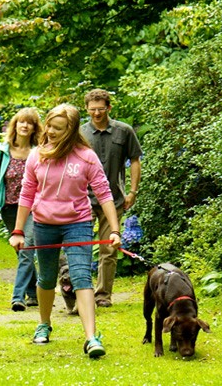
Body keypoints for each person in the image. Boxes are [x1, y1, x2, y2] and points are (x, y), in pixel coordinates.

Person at [8, 104, 122, 358]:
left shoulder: (86, 156)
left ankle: (91, 337)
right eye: (49, 125)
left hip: (78, 223)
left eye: (57, 128)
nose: (49, 131)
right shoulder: (37, 155)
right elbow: (26, 194)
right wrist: (18, 230)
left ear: (70, 131)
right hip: (44, 224)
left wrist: (115, 229)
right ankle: (44, 323)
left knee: (82, 276)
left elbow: (104, 193)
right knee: (46, 278)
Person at [80, 89, 142, 308]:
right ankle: (81, 292)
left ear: (109, 108)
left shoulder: (123, 131)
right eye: (92, 109)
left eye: (101, 109)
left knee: (109, 248)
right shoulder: (79, 133)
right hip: (82, 200)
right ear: (86, 109)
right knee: (81, 248)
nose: (96, 113)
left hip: (114, 199)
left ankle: (103, 294)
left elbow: (135, 160)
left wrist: (132, 191)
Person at [0, 107, 43, 311]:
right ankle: (33, 293)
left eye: (30, 123)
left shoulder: (40, 151)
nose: (25, 126)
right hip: (9, 208)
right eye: (21, 122)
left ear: (35, 128)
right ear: (15, 125)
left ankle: (17, 297)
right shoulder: (1, 151)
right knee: (22, 250)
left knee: (26, 247)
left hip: (33, 208)